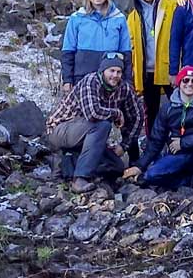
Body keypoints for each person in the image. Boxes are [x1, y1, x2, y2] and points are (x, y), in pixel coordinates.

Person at [46, 51, 143, 194]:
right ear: (103, 70)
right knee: (102, 125)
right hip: (60, 130)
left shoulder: (124, 88)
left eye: (119, 71)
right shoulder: (90, 81)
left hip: (88, 136)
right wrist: (116, 113)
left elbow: (137, 117)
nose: (115, 75)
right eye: (111, 71)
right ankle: (80, 179)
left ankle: (65, 163)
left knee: (116, 166)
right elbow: (92, 114)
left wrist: (124, 145)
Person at [123, 65, 193, 199]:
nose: (190, 84)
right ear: (179, 83)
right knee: (151, 175)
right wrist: (140, 165)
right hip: (178, 155)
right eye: (186, 80)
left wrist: (184, 143)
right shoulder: (168, 107)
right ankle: (188, 181)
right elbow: (157, 139)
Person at [61, 0, 132, 92]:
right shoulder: (77, 18)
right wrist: (67, 79)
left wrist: (128, 81)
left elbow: (126, 53)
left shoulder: (119, 18)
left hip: (110, 79)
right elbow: (68, 51)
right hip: (82, 77)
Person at [126, 0, 178, 133]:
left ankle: (181, 144)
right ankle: (152, 146)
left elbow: (186, 2)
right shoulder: (133, 17)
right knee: (151, 111)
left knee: (179, 107)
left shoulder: (170, 7)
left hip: (169, 69)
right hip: (146, 72)